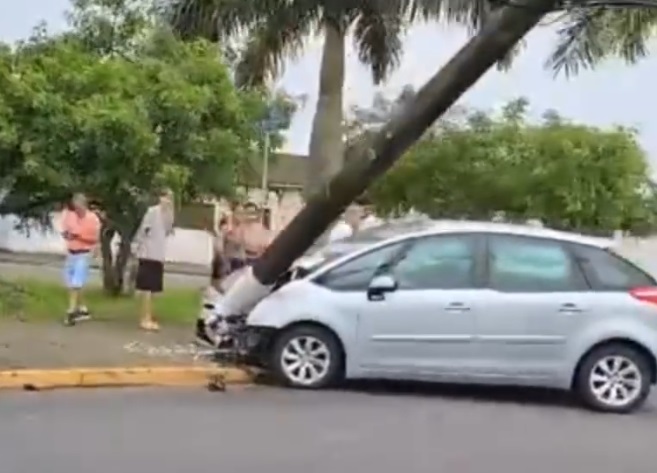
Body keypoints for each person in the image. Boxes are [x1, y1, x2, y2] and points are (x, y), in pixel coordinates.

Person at [132, 188, 175, 331]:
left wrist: (169, 214)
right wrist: (138, 247)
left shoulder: (169, 214)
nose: (167, 201)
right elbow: (143, 230)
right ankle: (145, 318)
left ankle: (149, 315)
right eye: (165, 197)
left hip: (158, 254)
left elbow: (168, 231)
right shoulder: (152, 212)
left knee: (154, 288)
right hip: (148, 253)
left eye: (169, 198)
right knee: (147, 288)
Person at [61, 193, 101, 326]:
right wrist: (67, 235)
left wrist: (78, 236)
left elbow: (93, 239)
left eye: (79, 207)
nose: (77, 210)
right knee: (72, 282)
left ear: (84, 206)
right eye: (75, 207)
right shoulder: (70, 216)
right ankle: (82, 308)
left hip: (84, 253)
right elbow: (66, 231)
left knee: (76, 283)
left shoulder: (92, 219)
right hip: (71, 252)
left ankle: (71, 311)